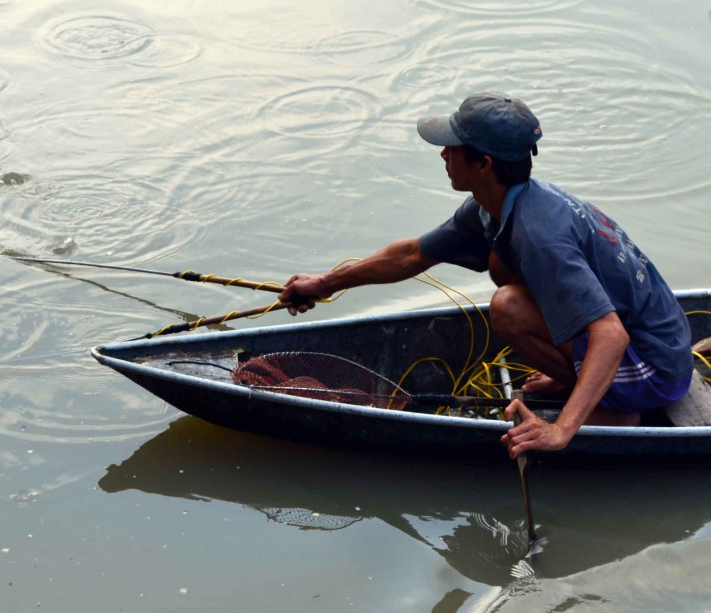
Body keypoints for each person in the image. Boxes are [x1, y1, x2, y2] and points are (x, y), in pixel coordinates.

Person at [279, 92, 693, 457]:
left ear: (483, 164)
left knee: (508, 307)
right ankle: (583, 377)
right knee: (501, 266)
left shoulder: (541, 236)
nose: (444, 155)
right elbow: (411, 255)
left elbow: (612, 334)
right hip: (649, 339)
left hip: (655, 367)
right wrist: (325, 284)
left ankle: (617, 410)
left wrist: (560, 430)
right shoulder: (497, 205)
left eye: (453, 149)